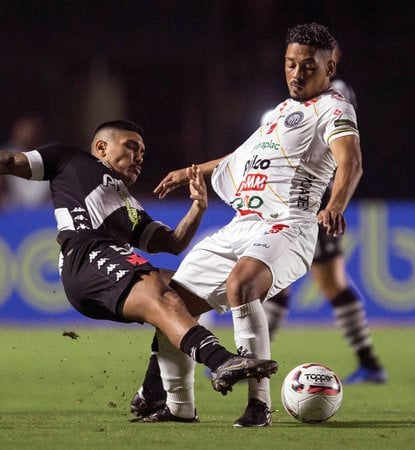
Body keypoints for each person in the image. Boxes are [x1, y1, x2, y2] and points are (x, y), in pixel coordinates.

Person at [0, 120, 278, 422]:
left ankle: (152, 394)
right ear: (101, 147)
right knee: (162, 297)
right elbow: (8, 162)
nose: (139, 156)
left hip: (109, 260)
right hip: (87, 254)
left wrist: (196, 209)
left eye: (143, 152)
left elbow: (172, 243)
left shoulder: (128, 205)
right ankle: (221, 361)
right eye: (131, 146)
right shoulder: (70, 160)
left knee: (179, 293)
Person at [130, 23, 363, 427]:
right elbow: (238, 158)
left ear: (330, 66)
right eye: (290, 64)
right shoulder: (282, 114)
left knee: (241, 285)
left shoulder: (335, 106)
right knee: (171, 305)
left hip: (289, 226)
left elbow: (351, 162)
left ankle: (259, 404)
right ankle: (177, 405)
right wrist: (189, 173)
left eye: (308, 66)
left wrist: (336, 203)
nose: (297, 73)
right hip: (244, 224)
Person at [262, 47, 387, 385]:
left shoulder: (336, 95)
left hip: (310, 204)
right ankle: (370, 363)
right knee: (319, 283)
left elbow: (338, 148)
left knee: (279, 281)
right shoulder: (300, 100)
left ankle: (253, 360)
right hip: (303, 204)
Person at [0, 115, 52, 209]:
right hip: (14, 210)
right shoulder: (6, 155)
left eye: (29, 130)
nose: (25, 135)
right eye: (22, 130)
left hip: (44, 211)